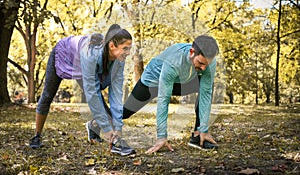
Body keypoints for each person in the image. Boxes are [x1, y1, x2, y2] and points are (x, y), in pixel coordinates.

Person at [29, 24, 136, 156]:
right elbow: (92, 93)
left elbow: (116, 93)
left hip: (82, 64)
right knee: (47, 95)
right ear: (112, 46)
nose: (128, 53)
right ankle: (37, 135)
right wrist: (108, 130)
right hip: (63, 53)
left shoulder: (120, 59)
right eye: (125, 48)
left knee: (107, 115)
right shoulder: (90, 54)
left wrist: (117, 128)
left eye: (129, 48)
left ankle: (94, 127)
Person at [121, 35, 220, 153]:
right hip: (153, 82)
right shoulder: (174, 60)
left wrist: (204, 128)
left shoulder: (209, 62)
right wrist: (161, 137)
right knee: (125, 112)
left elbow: (206, 94)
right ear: (192, 52)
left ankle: (198, 135)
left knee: (207, 86)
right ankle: (97, 122)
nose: (204, 68)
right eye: (200, 63)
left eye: (206, 65)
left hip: (181, 82)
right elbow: (164, 98)